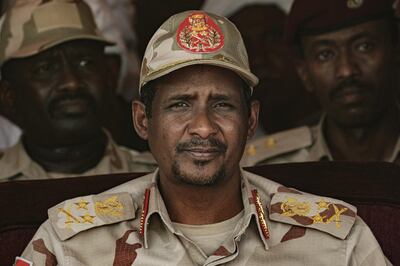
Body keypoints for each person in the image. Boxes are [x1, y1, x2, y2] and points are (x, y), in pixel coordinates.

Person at [17, 10, 391, 265]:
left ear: (251, 120)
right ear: (142, 120)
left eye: (223, 105)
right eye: (180, 105)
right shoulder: (69, 244)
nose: (203, 127)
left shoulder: (336, 239)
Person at [0, 0, 156, 181]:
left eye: (86, 63)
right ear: (8, 96)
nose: (72, 83)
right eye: (45, 69)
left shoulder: (158, 182)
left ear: (110, 76)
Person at [241, 0, 400, 167]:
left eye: (364, 47)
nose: (346, 70)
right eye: (325, 54)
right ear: (304, 74)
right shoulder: (264, 168)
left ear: (395, 52)